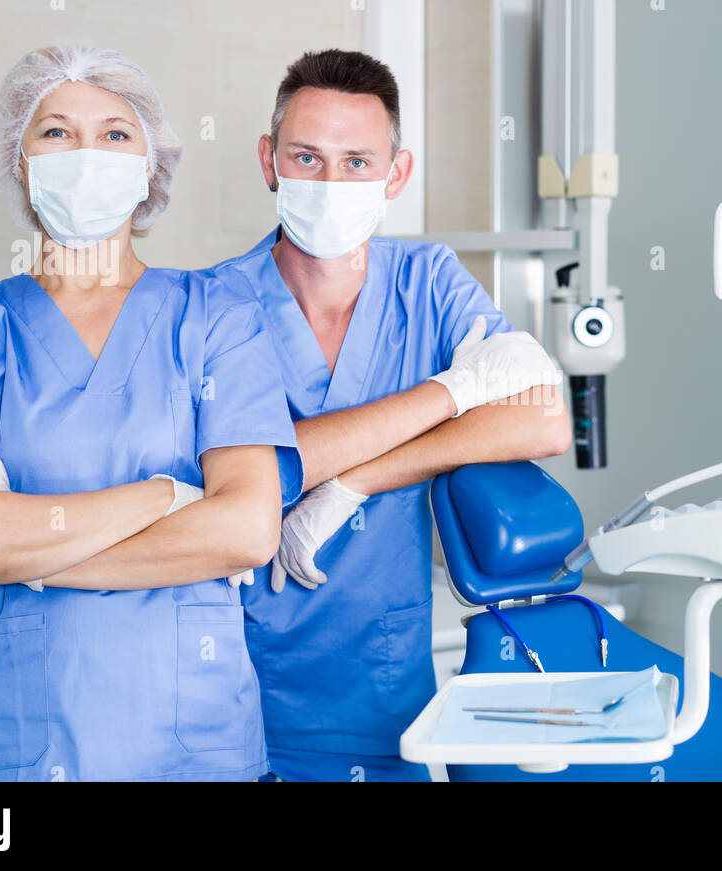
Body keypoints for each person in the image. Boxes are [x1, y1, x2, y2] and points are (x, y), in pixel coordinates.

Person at [0, 46, 297, 781]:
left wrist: (29, 549)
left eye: (115, 133)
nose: (86, 153)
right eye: (55, 133)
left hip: (191, 750)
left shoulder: (216, 318)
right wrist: (166, 498)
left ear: (151, 166)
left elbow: (245, 528)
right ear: (19, 162)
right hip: (10, 757)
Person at [203, 49, 573, 782]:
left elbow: (545, 419)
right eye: (306, 157)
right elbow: (270, 463)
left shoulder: (427, 281)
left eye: (357, 161)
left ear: (395, 175)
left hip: (383, 702)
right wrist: (449, 392)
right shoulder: (209, 305)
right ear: (269, 161)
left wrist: (358, 483)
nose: (330, 183)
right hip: (235, 700)